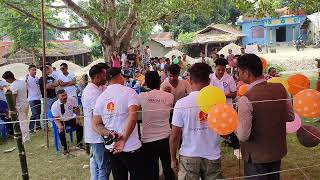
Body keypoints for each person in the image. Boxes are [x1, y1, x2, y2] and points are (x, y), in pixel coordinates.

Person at [236, 54, 295, 180]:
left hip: (256, 156)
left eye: (239, 72)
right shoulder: (281, 89)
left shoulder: (246, 99)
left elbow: (243, 135)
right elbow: (290, 116)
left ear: (246, 73)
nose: (238, 75)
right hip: (276, 151)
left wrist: (234, 126)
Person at [170, 63, 223, 180]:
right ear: (209, 81)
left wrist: (173, 158)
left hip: (189, 156)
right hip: (212, 155)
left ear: (190, 80)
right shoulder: (218, 101)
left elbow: (174, 136)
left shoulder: (181, 103)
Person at [92, 67, 147, 180]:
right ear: (119, 76)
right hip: (131, 145)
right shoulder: (129, 92)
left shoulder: (101, 98)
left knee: (119, 177)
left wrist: (109, 133)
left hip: (112, 147)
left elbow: (96, 124)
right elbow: (133, 116)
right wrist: (123, 139)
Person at [138, 71, 175, 180]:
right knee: (167, 167)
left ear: (146, 83)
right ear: (159, 81)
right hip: (165, 137)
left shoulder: (141, 96)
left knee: (151, 169)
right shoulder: (170, 96)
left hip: (148, 139)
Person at [82, 64, 111, 180]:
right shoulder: (92, 92)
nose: (107, 77)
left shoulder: (98, 88)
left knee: (96, 164)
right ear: (97, 76)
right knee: (104, 167)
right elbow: (99, 117)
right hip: (97, 135)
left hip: (94, 134)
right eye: (105, 75)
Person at [210, 58, 240, 159]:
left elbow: (234, 93)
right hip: (213, 108)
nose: (221, 72)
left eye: (223, 70)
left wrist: (223, 95)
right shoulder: (210, 78)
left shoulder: (229, 78)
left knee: (229, 129)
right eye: (219, 70)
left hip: (226, 107)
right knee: (213, 128)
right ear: (215, 68)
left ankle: (237, 148)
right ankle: (213, 149)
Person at [51, 89, 84, 154]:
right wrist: (60, 126)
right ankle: (65, 147)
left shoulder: (72, 99)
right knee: (61, 131)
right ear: (58, 97)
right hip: (61, 120)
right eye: (62, 96)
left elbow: (77, 109)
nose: (65, 97)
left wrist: (78, 118)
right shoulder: (54, 106)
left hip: (71, 118)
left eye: (65, 95)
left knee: (80, 126)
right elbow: (56, 119)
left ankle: (79, 143)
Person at [2, 71, 30, 143]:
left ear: (9, 78)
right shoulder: (22, 82)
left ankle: (25, 138)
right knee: (25, 121)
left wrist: (11, 108)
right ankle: (26, 136)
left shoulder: (14, 85)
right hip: (25, 102)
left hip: (19, 105)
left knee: (22, 122)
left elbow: (13, 98)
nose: (6, 81)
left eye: (6, 80)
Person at [25, 65, 42, 132]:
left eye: (35, 70)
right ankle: (31, 128)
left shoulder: (37, 78)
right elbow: (24, 85)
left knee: (38, 113)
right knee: (34, 113)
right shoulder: (27, 78)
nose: (34, 71)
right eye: (33, 70)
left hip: (38, 98)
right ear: (29, 71)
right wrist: (26, 79)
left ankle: (38, 126)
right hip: (31, 99)